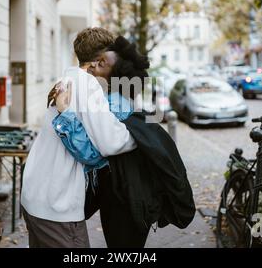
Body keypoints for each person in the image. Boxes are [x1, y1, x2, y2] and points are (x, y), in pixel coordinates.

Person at [51, 36, 196, 248]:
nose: (93, 68)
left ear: (116, 72)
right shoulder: (117, 97)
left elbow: (94, 153)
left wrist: (66, 116)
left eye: (103, 64)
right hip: (127, 191)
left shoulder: (112, 102)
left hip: (126, 194)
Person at [20, 28, 137, 248]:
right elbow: (112, 141)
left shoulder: (67, 79)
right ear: (99, 61)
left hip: (35, 197)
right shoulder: (88, 84)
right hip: (56, 206)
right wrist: (142, 135)